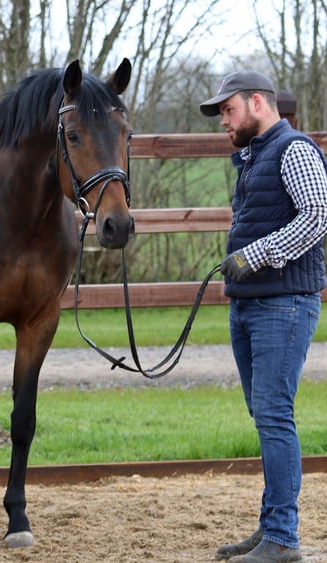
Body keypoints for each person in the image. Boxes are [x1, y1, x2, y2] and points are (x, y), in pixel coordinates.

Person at [200, 70, 327, 562]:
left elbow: (317, 215)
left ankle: (282, 538)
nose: (223, 121)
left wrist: (254, 256)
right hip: (252, 304)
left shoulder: (294, 149)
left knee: (274, 416)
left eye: (228, 110)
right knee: (267, 416)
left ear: (257, 102)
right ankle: (273, 526)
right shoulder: (255, 157)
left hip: (283, 304)